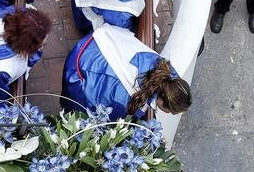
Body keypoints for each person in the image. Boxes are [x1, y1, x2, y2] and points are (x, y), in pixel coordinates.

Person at [61, 22, 190, 119]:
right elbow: (106, 112)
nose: (169, 114)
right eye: (170, 111)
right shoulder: (122, 100)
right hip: (81, 66)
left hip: (99, 40)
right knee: (80, 107)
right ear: (161, 102)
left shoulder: (166, 71)